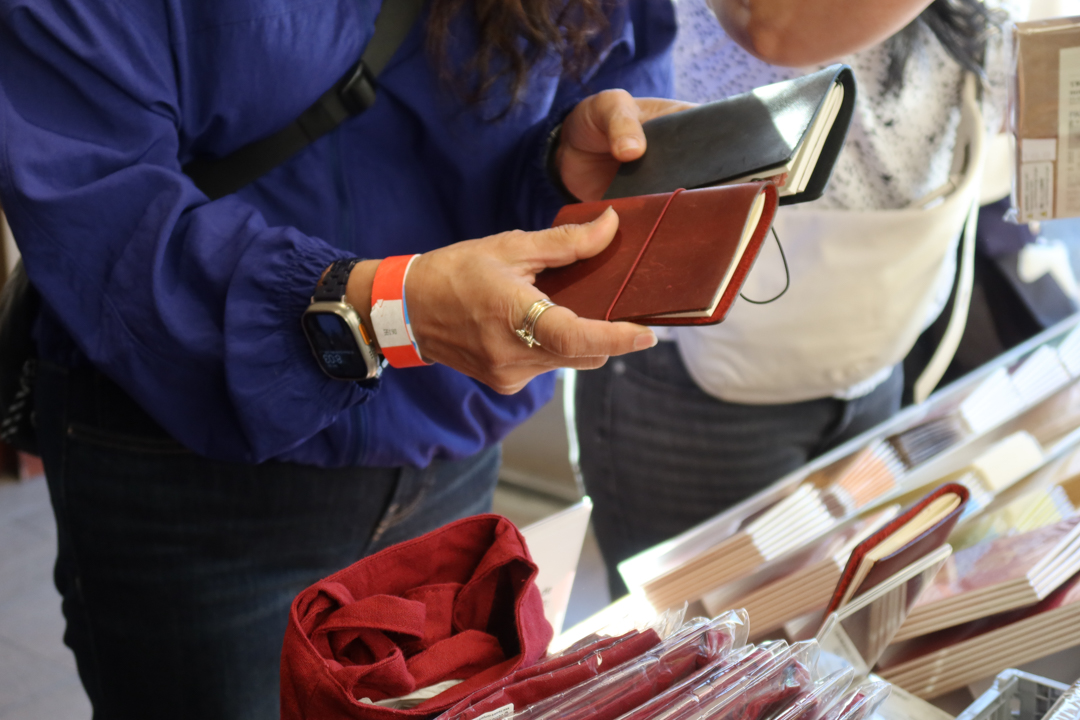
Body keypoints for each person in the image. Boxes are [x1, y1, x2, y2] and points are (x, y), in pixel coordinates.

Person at [0, 0, 683, 717]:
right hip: (192, 469)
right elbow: (91, 194)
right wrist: (388, 309)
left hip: (451, 445)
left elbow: (609, 60)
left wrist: (558, 160)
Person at [574, 0, 1025, 599]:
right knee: (692, 634)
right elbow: (776, 27)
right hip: (694, 368)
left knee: (831, 618)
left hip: (872, 346)